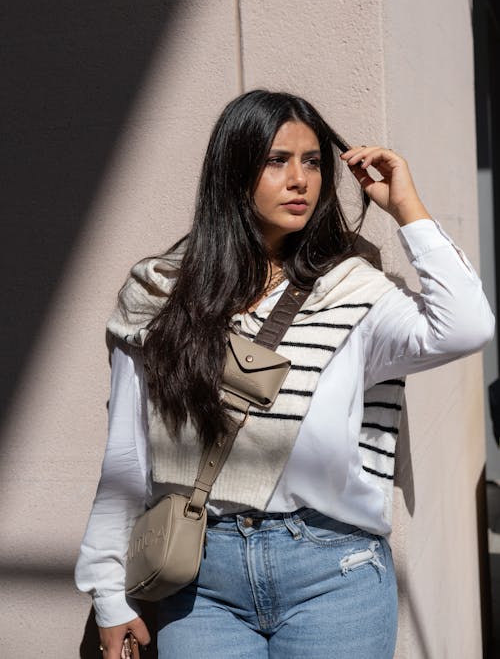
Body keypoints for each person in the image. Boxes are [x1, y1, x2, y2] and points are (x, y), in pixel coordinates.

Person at [75, 90, 494, 659]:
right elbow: (127, 454)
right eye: (277, 160)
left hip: (333, 571)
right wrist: (108, 591)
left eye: (313, 161)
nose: (300, 179)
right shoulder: (160, 294)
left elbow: (466, 325)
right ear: (233, 171)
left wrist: (407, 209)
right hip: (201, 577)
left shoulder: (352, 290)